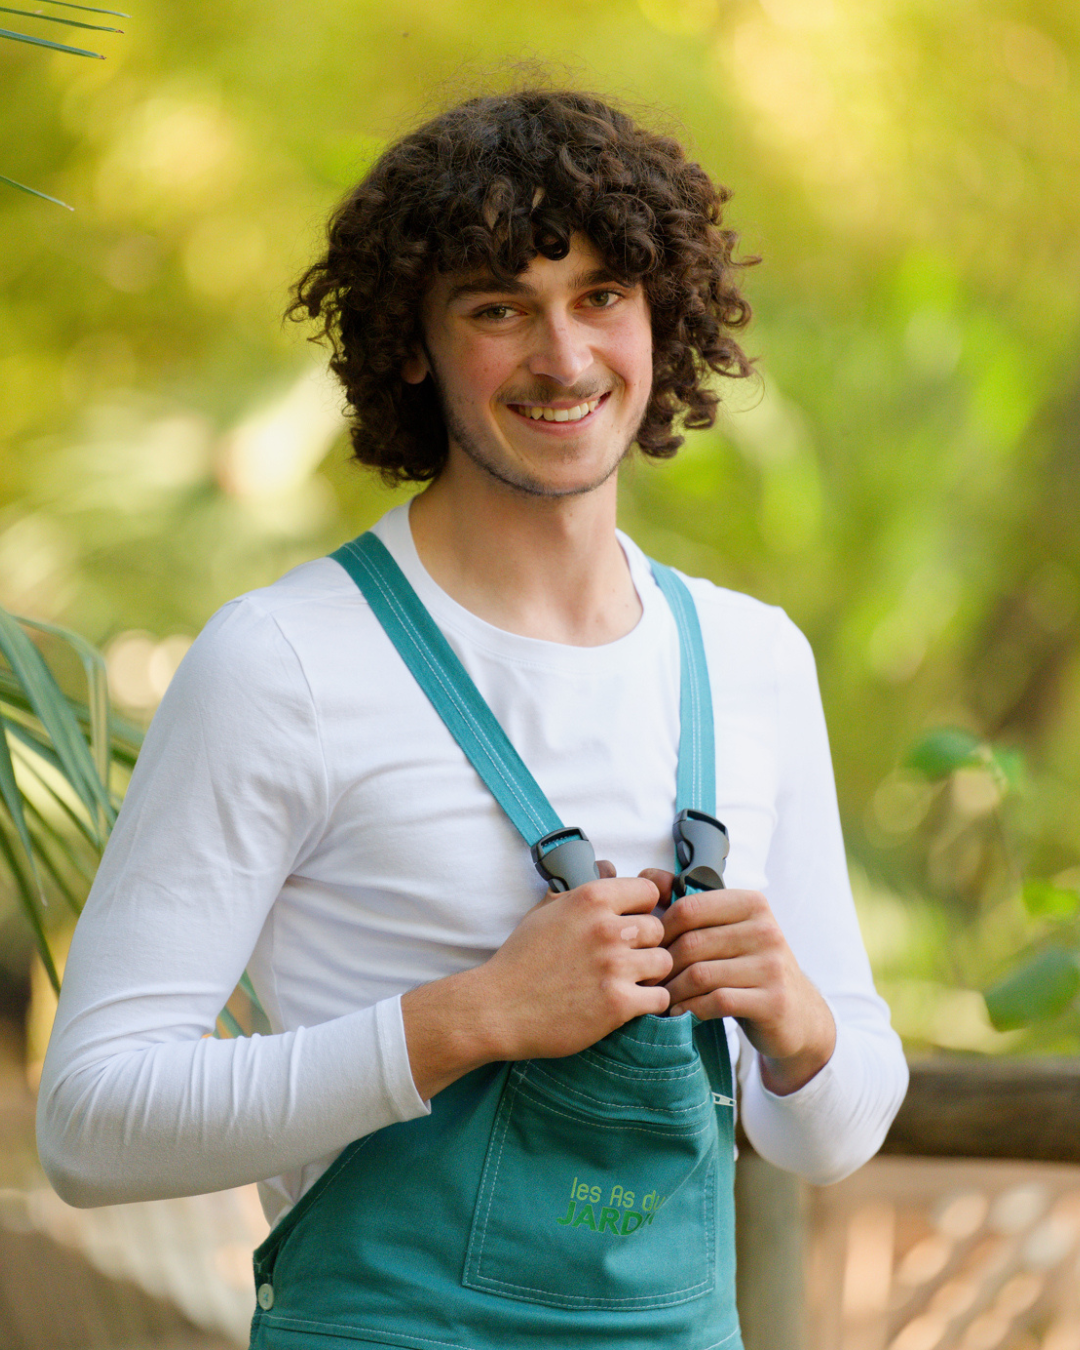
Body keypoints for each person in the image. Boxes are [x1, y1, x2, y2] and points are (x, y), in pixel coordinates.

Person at [38, 88, 908, 1349]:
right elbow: (89, 1124)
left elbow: (833, 1140)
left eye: (602, 296)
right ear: (412, 345)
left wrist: (799, 1019)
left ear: (661, 315)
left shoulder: (752, 658)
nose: (565, 357)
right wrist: (472, 1017)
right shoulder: (283, 661)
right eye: (499, 308)